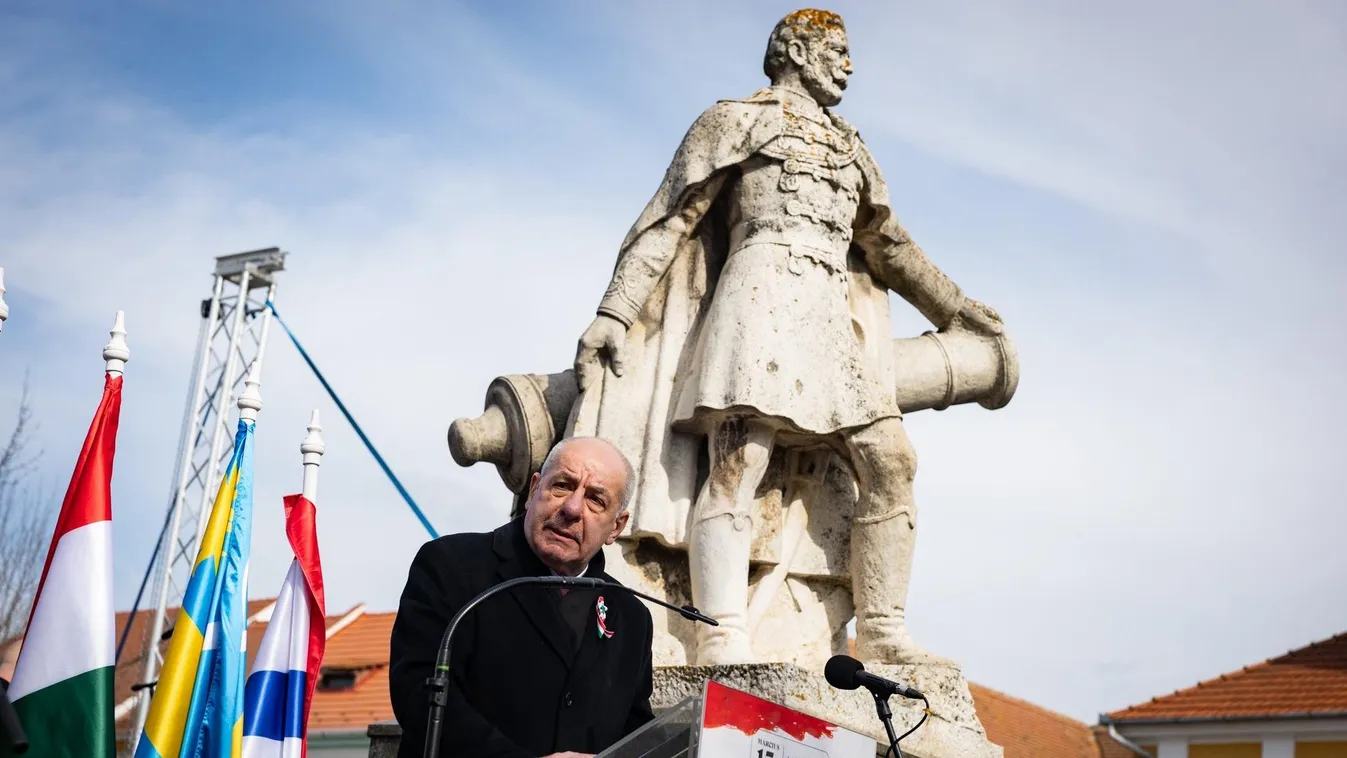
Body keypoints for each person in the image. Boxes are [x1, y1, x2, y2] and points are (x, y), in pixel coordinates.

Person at [571, 9, 1005, 666]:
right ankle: (721, 628)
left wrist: (958, 309)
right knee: (737, 464)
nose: (848, 66)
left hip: (831, 321)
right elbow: (671, 219)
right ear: (796, 51)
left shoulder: (851, 148)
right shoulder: (732, 121)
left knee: (891, 462)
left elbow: (888, 246)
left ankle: (882, 628)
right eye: (836, 50)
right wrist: (614, 311)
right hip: (756, 300)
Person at [389, 437, 653, 758]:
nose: (572, 508)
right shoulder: (451, 565)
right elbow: (418, 692)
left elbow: (637, 734)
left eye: (595, 499)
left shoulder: (632, 616)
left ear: (616, 527)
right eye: (562, 486)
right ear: (534, 490)